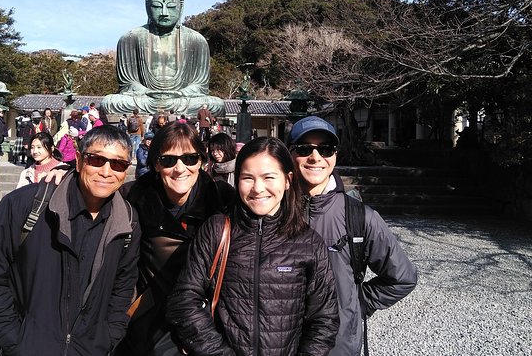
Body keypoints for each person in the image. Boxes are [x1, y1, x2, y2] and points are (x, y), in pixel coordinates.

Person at [0, 126, 141, 356]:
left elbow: (123, 286)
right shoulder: (26, 205)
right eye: (96, 160)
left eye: (118, 164)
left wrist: (107, 337)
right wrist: (15, 340)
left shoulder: (127, 221)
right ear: (78, 160)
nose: (106, 171)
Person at [167, 137, 339, 355]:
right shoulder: (217, 229)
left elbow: (324, 318)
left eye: (269, 177)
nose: (258, 189)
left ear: (287, 180)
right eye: (247, 178)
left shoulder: (308, 241)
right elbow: (183, 300)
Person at [288, 116, 418, 356]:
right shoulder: (275, 211)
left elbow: (402, 277)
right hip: (280, 343)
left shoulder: (359, 217)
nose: (315, 157)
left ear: (335, 155)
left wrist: (357, 303)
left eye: (325, 149)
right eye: (304, 149)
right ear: (290, 154)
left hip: (338, 346)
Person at [114, 122, 235, 356]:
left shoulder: (221, 198)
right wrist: (65, 176)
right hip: (148, 318)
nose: (180, 168)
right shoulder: (133, 197)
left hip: (204, 319)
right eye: (169, 160)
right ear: (156, 164)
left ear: (201, 160)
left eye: (190, 158)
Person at [101, 0, 225, 117]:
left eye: (171, 7)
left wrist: (181, 93)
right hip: (146, 98)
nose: (164, 12)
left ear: (181, 8)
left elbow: (200, 85)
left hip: (182, 99)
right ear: (147, 7)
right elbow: (127, 83)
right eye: (156, 6)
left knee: (216, 104)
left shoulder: (196, 40)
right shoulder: (130, 38)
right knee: (110, 102)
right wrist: (146, 92)